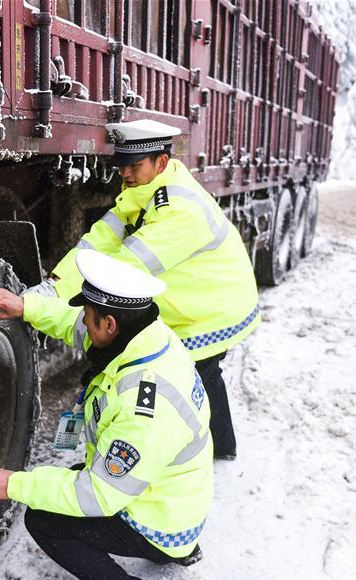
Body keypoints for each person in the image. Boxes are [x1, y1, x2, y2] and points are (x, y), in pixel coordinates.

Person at [0, 250, 214, 580]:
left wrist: (14, 484)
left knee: (44, 518)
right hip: (172, 497)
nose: (84, 323)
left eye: (90, 316)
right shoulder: (148, 335)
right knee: (71, 480)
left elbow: (99, 497)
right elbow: (75, 325)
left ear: (110, 324)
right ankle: (179, 547)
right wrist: (26, 307)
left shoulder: (144, 407)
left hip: (161, 521)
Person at [31, 119, 259, 460]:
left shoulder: (181, 210)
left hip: (211, 308)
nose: (125, 174)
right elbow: (99, 242)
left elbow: (123, 268)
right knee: (201, 375)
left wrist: (50, 308)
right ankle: (214, 444)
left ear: (161, 163)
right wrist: (55, 287)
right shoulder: (144, 194)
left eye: (134, 166)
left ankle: (216, 449)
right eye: (122, 166)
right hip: (189, 300)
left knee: (199, 374)